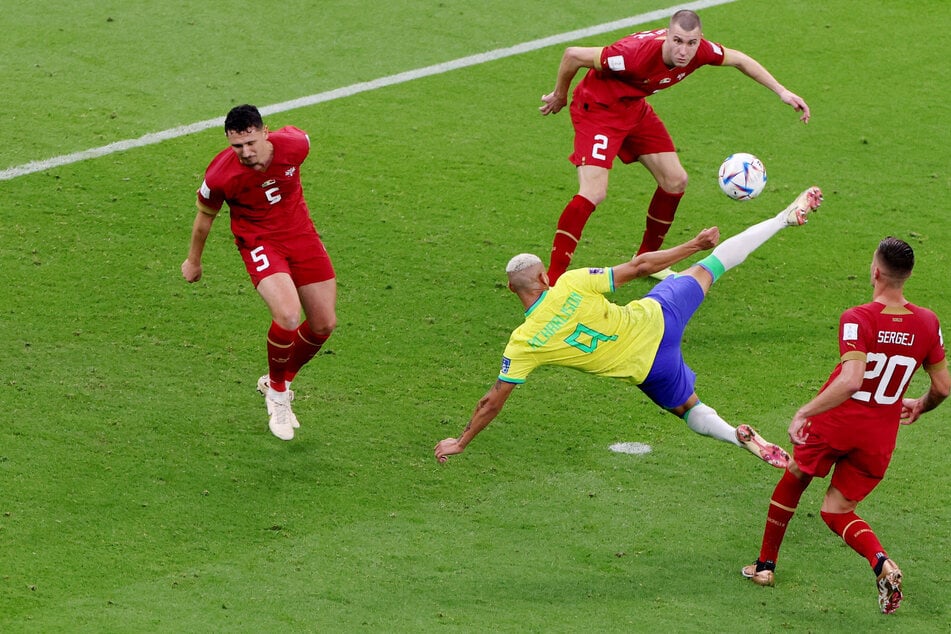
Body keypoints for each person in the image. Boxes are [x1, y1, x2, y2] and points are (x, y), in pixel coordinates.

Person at [434, 187, 823, 467]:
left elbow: (493, 400)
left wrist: (461, 440)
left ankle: (732, 435)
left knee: (690, 410)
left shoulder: (523, 343)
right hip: (659, 315)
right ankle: (781, 219)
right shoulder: (571, 282)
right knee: (713, 266)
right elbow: (639, 267)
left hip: (649, 369)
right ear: (545, 278)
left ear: (511, 289)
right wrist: (693, 244)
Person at [741, 237, 950, 614]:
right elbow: (942, 387)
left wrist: (805, 411)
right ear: (908, 276)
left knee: (796, 476)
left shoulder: (858, 317)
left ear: (875, 271)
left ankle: (765, 566)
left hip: (837, 422)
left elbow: (852, 379)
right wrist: (921, 404)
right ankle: (881, 563)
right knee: (836, 511)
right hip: (879, 437)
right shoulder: (928, 322)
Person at [539, 9, 811, 284]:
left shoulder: (701, 52)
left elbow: (739, 59)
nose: (684, 51)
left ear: (699, 40)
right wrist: (560, 95)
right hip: (598, 109)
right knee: (594, 191)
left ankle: (647, 261)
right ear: (667, 36)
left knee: (675, 181)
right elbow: (573, 55)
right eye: (678, 41)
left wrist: (782, 91)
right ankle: (552, 279)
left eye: (691, 43)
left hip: (633, 108)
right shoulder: (633, 54)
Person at [182, 104, 337, 441]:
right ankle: (279, 396)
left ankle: (275, 380)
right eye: (237, 146)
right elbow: (204, 220)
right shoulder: (220, 174)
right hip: (260, 242)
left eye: (251, 142)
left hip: (302, 236)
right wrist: (193, 261)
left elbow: (302, 139)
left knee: (324, 323)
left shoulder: (295, 145)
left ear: (266, 132)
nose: (246, 152)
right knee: (288, 314)